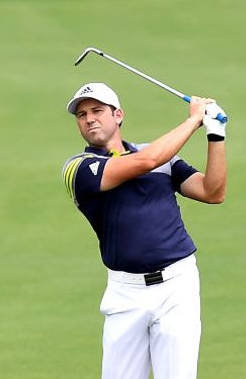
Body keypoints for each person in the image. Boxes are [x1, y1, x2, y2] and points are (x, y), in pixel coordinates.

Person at [61, 82, 227, 379]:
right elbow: (146, 162)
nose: (89, 119)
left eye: (97, 111)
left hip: (178, 284)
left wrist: (215, 135)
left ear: (118, 115)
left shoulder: (161, 156)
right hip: (125, 293)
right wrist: (193, 121)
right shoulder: (79, 168)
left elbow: (212, 191)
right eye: (81, 115)